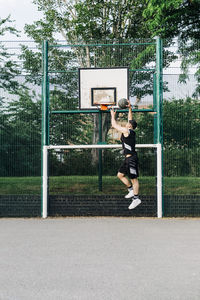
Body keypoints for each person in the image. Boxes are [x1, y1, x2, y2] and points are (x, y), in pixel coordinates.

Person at [110, 100, 141, 209]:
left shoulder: (127, 131)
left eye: (128, 123)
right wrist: (129, 108)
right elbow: (130, 118)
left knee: (134, 179)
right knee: (120, 175)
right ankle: (131, 190)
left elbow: (114, 125)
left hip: (132, 158)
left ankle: (136, 199)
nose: (127, 123)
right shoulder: (129, 130)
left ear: (130, 126)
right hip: (127, 159)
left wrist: (112, 115)